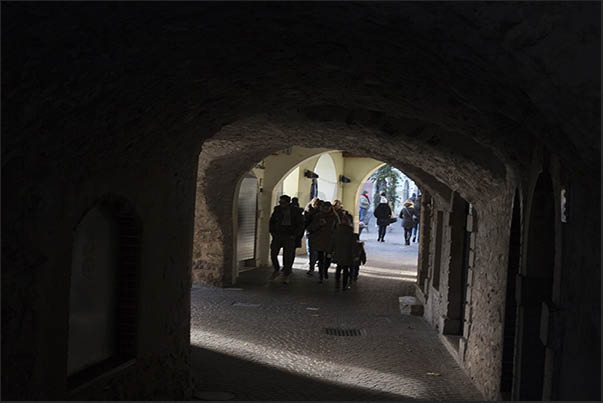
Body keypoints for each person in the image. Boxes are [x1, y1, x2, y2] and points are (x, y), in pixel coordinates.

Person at [269, 195, 304, 283]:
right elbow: (272, 221)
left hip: (289, 235)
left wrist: (295, 235)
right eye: (280, 202)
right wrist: (273, 233)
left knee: (287, 256)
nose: (281, 204)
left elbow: (300, 224)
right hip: (278, 234)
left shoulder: (295, 211)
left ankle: (286, 274)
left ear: (288, 203)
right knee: (273, 252)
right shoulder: (277, 209)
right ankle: (276, 269)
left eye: (283, 203)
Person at [308, 201, 338, 283]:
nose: (326, 209)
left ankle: (325, 270)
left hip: (330, 240)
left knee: (328, 258)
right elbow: (312, 227)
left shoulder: (334, 217)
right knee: (321, 258)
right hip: (320, 239)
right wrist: (319, 225)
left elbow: (338, 228)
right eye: (324, 208)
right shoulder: (318, 216)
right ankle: (321, 275)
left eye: (327, 208)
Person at [333, 212, 355, 291]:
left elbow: (333, 241)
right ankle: (344, 285)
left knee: (339, 268)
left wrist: (331, 251)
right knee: (345, 269)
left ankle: (337, 283)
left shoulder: (337, 230)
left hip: (339, 252)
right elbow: (353, 244)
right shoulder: (350, 231)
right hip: (347, 253)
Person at [303, 198, 320, 275]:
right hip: (313, 232)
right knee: (312, 250)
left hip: (311, 232)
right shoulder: (317, 213)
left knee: (311, 250)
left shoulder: (308, 211)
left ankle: (312, 265)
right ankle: (312, 264)